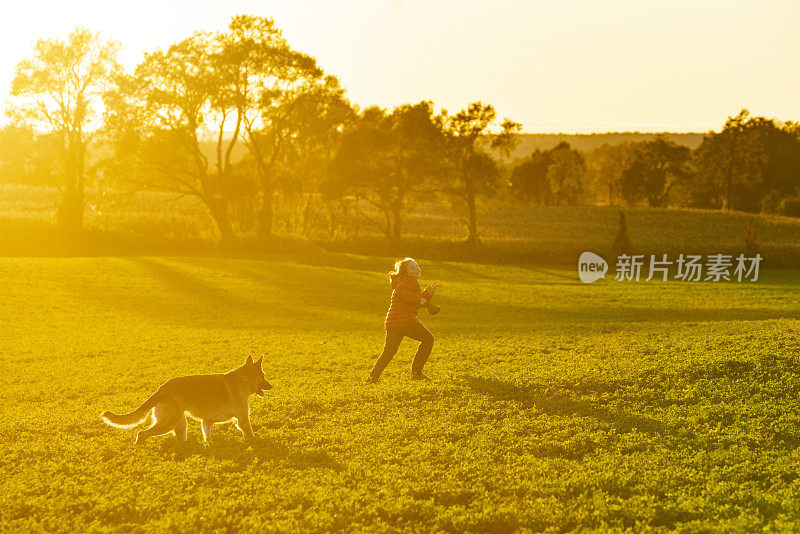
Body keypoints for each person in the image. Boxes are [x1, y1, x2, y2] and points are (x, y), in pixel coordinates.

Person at [367, 257, 439, 382]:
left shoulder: (403, 280)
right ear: (405, 271)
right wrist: (420, 300)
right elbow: (400, 293)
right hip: (405, 321)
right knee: (428, 339)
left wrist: (427, 294)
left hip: (393, 322)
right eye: (412, 267)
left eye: (417, 266)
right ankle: (416, 373)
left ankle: (373, 376)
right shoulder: (409, 280)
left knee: (389, 352)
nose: (416, 269)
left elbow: (411, 297)